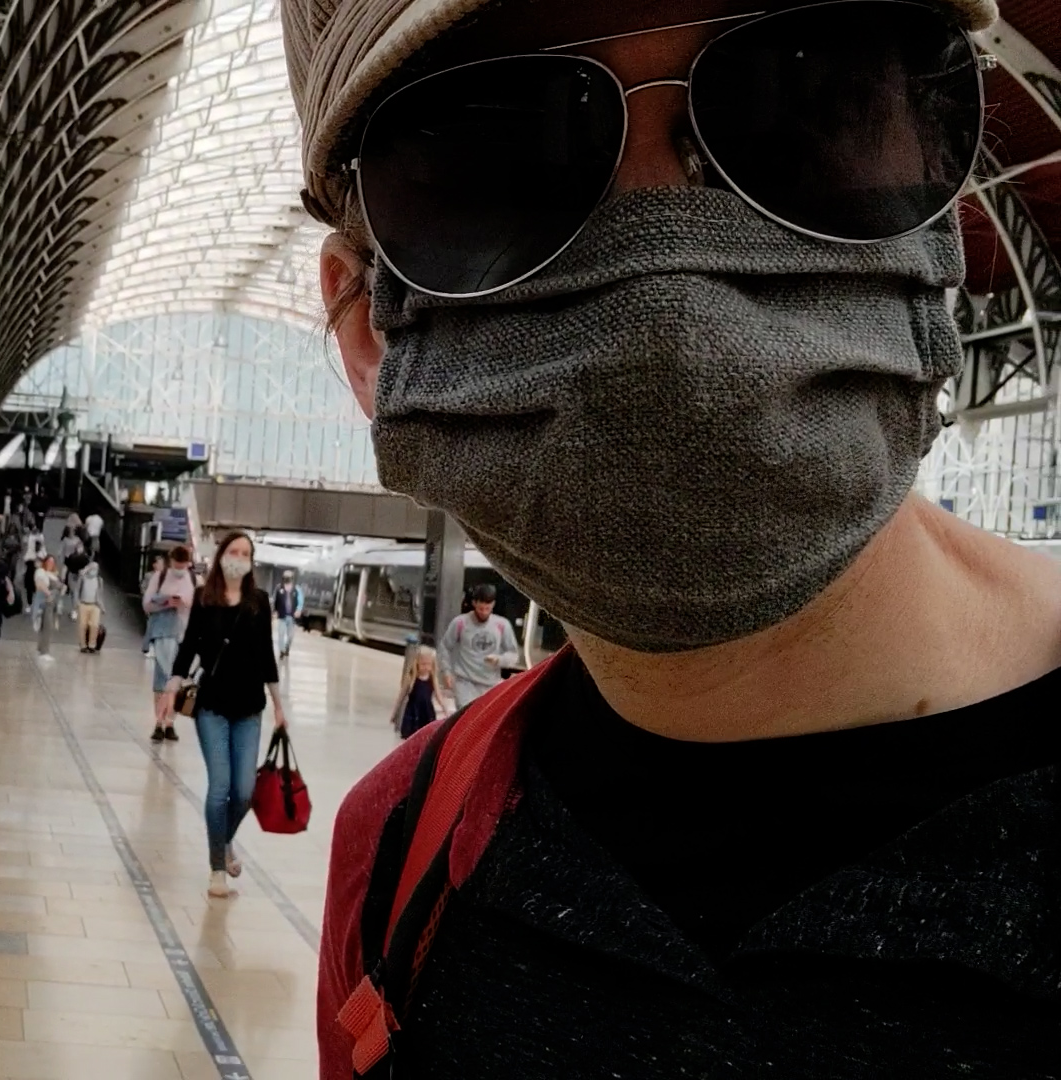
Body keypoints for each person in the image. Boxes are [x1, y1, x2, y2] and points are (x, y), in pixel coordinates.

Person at [289, 0, 1061, 1076]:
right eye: (497, 141)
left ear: (945, 189)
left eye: (806, 92)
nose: (675, 311)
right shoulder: (402, 853)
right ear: (369, 328)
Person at [160, 533, 288, 899]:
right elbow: (188, 649)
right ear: (221, 557)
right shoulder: (205, 598)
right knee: (220, 789)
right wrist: (171, 689)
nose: (239, 557)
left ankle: (224, 841)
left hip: (250, 708)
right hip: (212, 707)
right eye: (233, 551)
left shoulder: (259, 602)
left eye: (246, 553)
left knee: (244, 792)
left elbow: (267, 655)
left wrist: (279, 705)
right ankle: (218, 868)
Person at [143, 545, 196, 742]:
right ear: (170, 561)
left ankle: (170, 722)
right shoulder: (160, 576)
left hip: (184, 635)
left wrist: (185, 603)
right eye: (176, 564)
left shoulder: (191, 579)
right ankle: (159, 722)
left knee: (177, 680)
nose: (179, 569)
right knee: (163, 680)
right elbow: (147, 604)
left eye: (183, 565)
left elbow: (198, 605)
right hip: (163, 632)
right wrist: (166, 603)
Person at [438, 584, 519, 711]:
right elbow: (445, 647)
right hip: (464, 682)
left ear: (493, 604)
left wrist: (499, 660)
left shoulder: (502, 625)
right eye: (481, 609)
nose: (484, 612)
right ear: (474, 603)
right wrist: (446, 671)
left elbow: (513, 654)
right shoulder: (460, 623)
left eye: (488, 608)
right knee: (465, 717)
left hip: (490, 684)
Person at [390, 641, 445, 740]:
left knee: (426, 737)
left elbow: (438, 695)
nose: (426, 667)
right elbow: (401, 696)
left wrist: (445, 709)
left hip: (426, 712)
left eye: (429, 665)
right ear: (417, 663)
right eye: (423, 664)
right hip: (413, 712)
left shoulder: (432, 679)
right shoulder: (411, 678)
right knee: (410, 737)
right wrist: (394, 713)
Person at [270, 571, 304, 658]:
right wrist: (274, 611)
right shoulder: (279, 588)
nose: (287, 579)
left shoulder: (297, 589)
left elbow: (300, 601)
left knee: (290, 636)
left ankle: (287, 647)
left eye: (288, 577)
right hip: (282, 615)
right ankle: (282, 650)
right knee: (281, 634)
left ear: (292, 578)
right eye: (285, 577)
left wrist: (298, 610)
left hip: (292, 617)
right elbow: (275, 600)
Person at [75, 560, 106, 653]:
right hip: (83, 603)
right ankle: (83, 645)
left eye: (96, 568)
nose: (94, 570)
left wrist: (102, 607)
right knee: (82, 625)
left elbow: (100, 594)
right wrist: (77, 602)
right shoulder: (83, 578)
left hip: (95, 605)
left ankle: (92, 645)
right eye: (92, 568)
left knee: (94, 625)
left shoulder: (99, 580)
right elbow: (77, 589)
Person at [30, 555, 62, 632]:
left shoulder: (54, 574)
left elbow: (61, 586)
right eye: (49, 562)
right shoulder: (40, 572)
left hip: (52, 604)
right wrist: (48, 593)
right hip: (42, 601)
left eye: (53, 562)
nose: (51, 564)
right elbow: (39, 584)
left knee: (48, 629)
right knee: (41, 628)